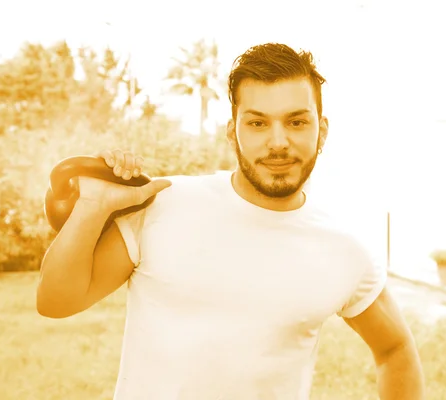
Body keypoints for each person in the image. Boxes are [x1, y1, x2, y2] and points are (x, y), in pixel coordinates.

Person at [37, 43, 425, 400]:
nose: (277, 142)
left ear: (321, 131)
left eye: (296, 122)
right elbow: (55, 302)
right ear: (232, 132)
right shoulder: (164, 204)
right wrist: (94, 206)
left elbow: (394, 350)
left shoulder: (346, 248)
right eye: (257, 123)